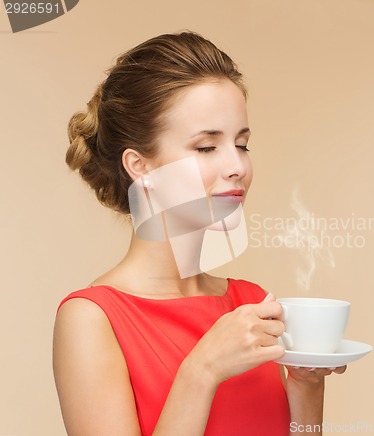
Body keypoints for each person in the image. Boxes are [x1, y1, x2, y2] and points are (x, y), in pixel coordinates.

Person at [53, 31, 347, 436]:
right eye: (207, 147)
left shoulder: (250, 305)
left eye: (242, 144)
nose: (237, 167)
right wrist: (202, 369)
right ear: (140, 167)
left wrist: (306, 384)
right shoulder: (92, 320)